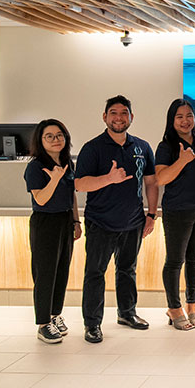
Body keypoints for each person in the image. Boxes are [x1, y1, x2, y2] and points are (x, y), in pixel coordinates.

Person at [75, 95, 157, 343]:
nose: (119, 117)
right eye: (113, 113)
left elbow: (151, 182)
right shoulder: (92, 148)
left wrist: (151, 214)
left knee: (127, 270)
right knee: (95, 272)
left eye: (124, 113)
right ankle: (92, 324)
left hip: (133, 222)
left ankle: (127, 313)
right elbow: (79, 184)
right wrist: (108, 179)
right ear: (105, 117)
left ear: (131, 117)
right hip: (101, 222)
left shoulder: (142, 147)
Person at [155, 99, 195, 331]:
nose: (185, 120)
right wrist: (181, 161)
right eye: (179, 116)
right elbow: (161, 179)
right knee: (174, 261)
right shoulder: (167, 146)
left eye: (189, 115)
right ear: (172, 120)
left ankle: (191, 306)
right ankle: (174, 308)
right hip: (178, 211)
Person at [24, 119, 82, 343]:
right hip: (45, 222)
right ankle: (42, 323)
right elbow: (40, 198)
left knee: (61, 271)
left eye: (60, 135)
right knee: (45, 273)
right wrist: (55, 179)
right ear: (40, 140)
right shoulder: (36, 166)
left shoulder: (68, 162)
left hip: (65, 220)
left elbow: (72, 195)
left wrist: (76, 221)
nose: (56, 139)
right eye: (49, 136)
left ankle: (55, 314)